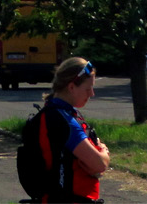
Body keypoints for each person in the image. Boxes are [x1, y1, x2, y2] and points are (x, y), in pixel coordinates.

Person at [29, 57, 109, 202]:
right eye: (88, 88)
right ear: (71, 87)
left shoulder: (55, 113)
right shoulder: (64, 121)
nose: (92, 94)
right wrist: (104, 151)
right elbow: (99, 164)